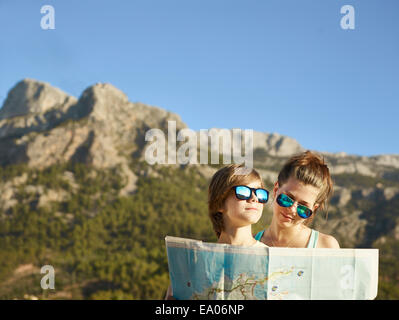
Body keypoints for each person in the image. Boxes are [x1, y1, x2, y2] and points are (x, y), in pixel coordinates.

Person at [165, 163, 270, 299]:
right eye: (244, 192)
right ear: (220, 203)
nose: (254, 198)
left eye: (260, 193)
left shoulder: (271, 259)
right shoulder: (195, 262)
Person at [254, 150, 340, 249]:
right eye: (287, 199)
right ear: (276, 190)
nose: (292, 209)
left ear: (314, 209)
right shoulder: (251, 243)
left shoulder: (325, 246)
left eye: (303, 208)